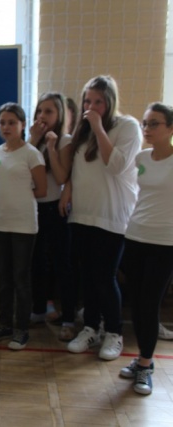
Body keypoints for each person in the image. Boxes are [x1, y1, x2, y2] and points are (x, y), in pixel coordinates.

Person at [64, 75, 141, 360]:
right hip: (82, 215)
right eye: (87, 101)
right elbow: (77, 169)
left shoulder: (127, 126)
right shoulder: (82, 131)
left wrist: (98, 128)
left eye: (98, 101)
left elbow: (117, 165)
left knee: (105, 278)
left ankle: (114, 332)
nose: (91, 107)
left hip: (111, 216)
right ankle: (91, 328)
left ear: (110, 102)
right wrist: (67, 189)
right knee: (88, 276)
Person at [0, 102, 47, 350]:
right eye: (2, 122)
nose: (6, 127)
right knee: (4, 279)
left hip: (23, 225)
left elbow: (41, 189)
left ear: (22, 125)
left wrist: (19, 197)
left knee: (21, 278)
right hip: (0, 222)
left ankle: (21, 330)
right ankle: (4, 325)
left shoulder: (32, 154)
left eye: (11, 122)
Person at [119, 102, 173, 395]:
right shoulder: (141, 158)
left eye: (154, 123)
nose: (147, 129)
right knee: (137, 303)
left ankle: (145, 364)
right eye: (145, 123)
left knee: (150, 303)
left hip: (164, 243)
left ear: (171, 128)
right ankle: (140, 359)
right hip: (135, 236)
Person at [27, 93, 78, 341]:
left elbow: (61, 177)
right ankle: (38, 310)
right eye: (39, 111)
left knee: (62, 264)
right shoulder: (32, 140)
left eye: (48, 111)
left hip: (56, 209)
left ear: (59, 115)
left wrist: (50, 147)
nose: (42, 116)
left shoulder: (64, 140)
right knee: (37, 262)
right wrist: (33, 140)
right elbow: (23, 171)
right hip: (34, 208)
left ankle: (68, 319)